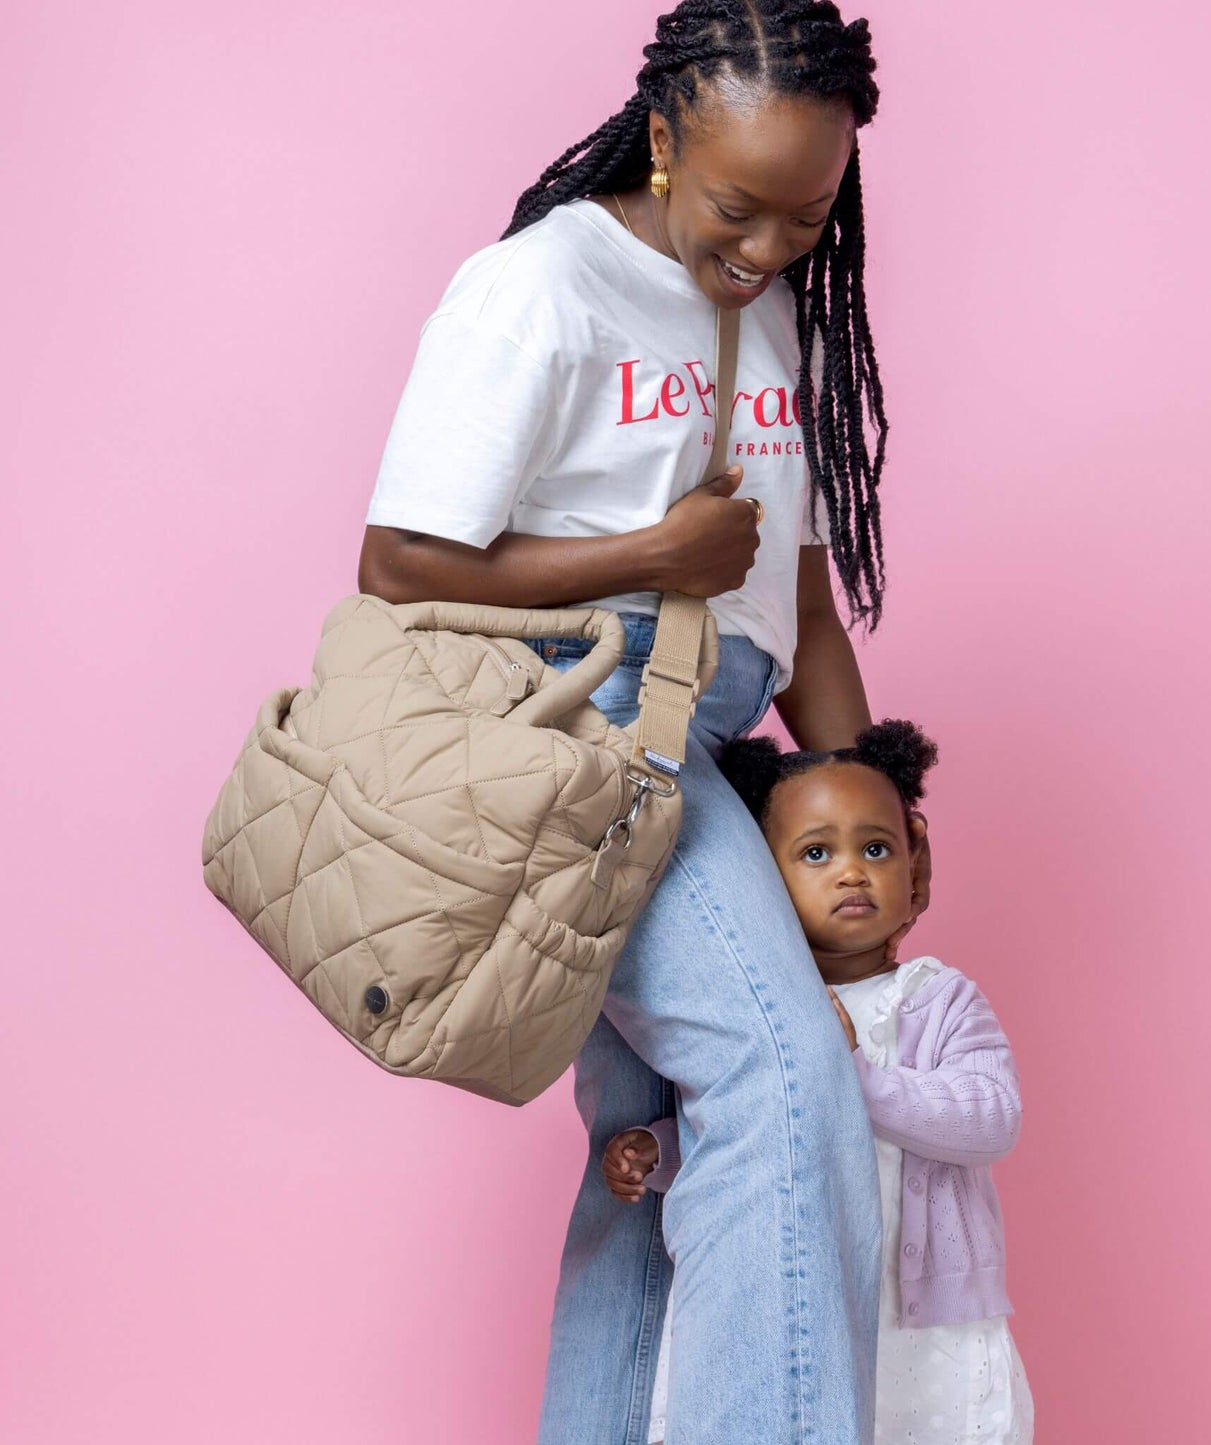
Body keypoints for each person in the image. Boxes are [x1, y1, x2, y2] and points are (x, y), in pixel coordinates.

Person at [356, 3, 931, 1439]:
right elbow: (401, 560)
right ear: (665, 137)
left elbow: (793, 609)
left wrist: (849, 795)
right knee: (780, 1084)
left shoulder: (777, 310)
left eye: (809, 214)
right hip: (589, 734)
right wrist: (645, 558)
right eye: (743, 207)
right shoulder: (538, 287)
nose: (772, 247)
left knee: (649, 1154)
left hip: (717, 742)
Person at [603, 723, 1035, 1444]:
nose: (851, 872)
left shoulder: (936, 998)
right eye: (815, 852)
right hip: (805, 1286)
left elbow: (991, 1118)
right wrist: (658, 1152)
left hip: (919, 1315)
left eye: (875, 848)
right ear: (759, 884)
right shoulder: (750, 1011)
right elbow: (740, 1127)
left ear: (914, 869)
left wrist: (852, 1077)